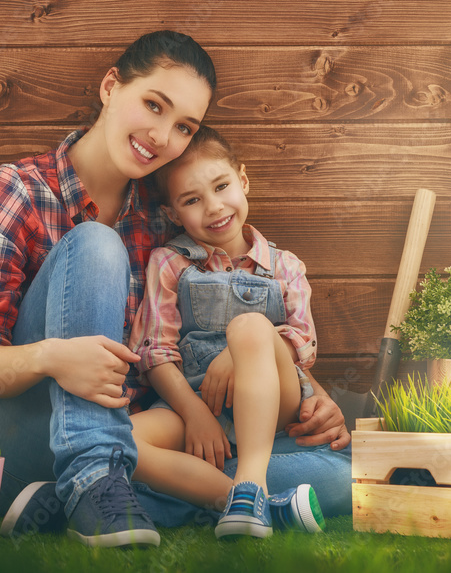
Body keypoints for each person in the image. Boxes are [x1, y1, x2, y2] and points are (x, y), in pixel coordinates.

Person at [0, 30, 352, 549]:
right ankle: (93, 480)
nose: (163, 136)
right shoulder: (22, 190)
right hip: (22, 431)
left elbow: (234, 338)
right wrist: (53, 358)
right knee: (94, 243)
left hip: (141, 439)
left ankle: (74, 500)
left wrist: (317, 399)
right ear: (111, 86)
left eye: (183, 126)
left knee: (337, 480)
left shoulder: (171, 219)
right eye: (154, 105)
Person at [128, 126, 323, 538]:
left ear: (243, 179)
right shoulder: (170, 263)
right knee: (121, 439)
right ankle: (249, 503)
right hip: (198, 401)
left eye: (222, 186)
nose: (214, 207)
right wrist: (196, 414)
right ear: (172, 214)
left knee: (251, 325)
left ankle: (251, 480)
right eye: (192, 200)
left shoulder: (285, 265)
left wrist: (239, 349)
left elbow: (302, 345)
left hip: (277, 401)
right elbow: (154, 352)